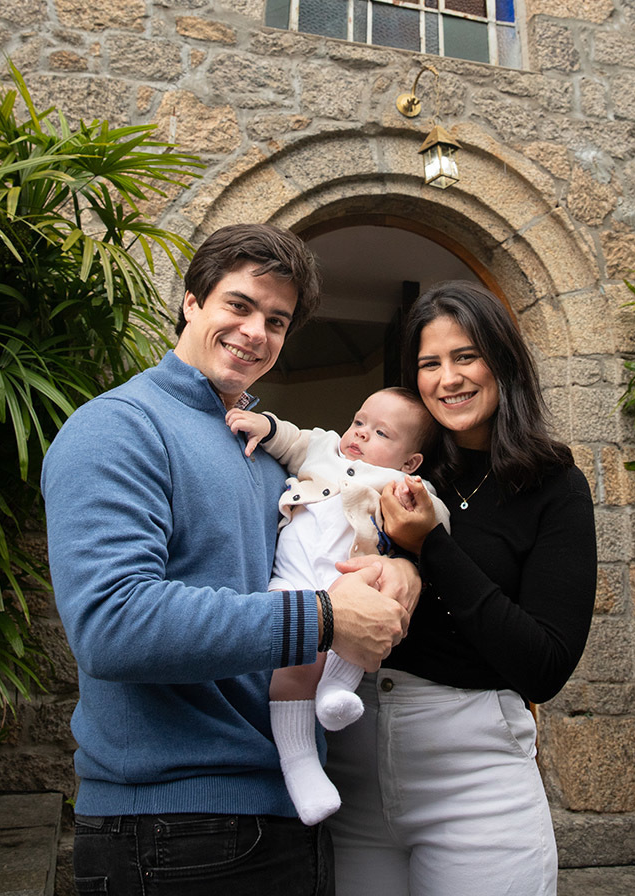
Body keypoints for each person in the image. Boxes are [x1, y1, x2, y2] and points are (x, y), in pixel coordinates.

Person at [42, 223, 421, 896]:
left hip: (284, 811)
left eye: (276, 321)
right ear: (192, 302)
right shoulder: (118, 427)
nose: (256, 332)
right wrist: (326, 619)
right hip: (171, 828)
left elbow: (328, 543)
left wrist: (402, 565)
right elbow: (111, 625)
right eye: (239, 306)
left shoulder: (261, 447)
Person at [325, 281, 598, 896]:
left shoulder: (553, 486)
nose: (448, 378)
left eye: (465, 356)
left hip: (475, 778)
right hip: (353, 767)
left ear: (502, 359)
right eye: (429, 363)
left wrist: (433, 548)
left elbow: (544, 666)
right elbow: (316, 464)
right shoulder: (399, 466)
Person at [227, 388, 450, 825]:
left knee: (376, 604)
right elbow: (291, 439)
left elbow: (438, 522)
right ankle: (300, 764)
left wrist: (422, 509)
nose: (360, 435)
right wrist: (265, 425)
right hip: (291, 582)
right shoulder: (324, 447)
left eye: (380, 432)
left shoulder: (400, 485)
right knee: (296, 654)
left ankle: (336, 690)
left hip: (350, 581)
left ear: (410, 463)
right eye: (359, 421)